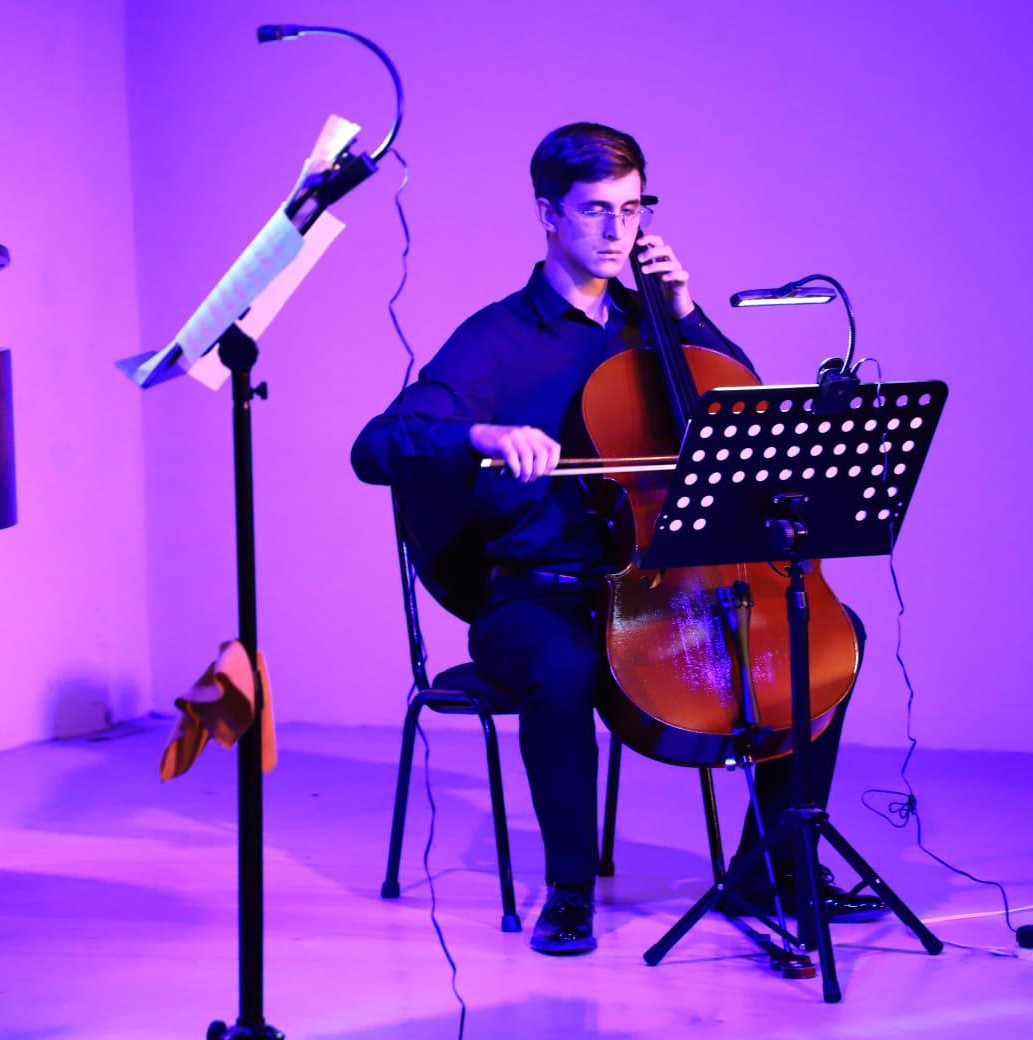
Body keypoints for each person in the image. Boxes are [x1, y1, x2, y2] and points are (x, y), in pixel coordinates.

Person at [351, 122, 883, 955]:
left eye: (631, 211)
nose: (616, 232)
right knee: (561, 669)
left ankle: (773, 862)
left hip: (670, 589)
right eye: (596, 211)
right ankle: (568, 890)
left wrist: (687, 314)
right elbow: (376, 446)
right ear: (548, 214)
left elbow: (740, 414)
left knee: (826, 637)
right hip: (538, 595)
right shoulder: (495, 340)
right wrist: (483, 435)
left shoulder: (657, 322)